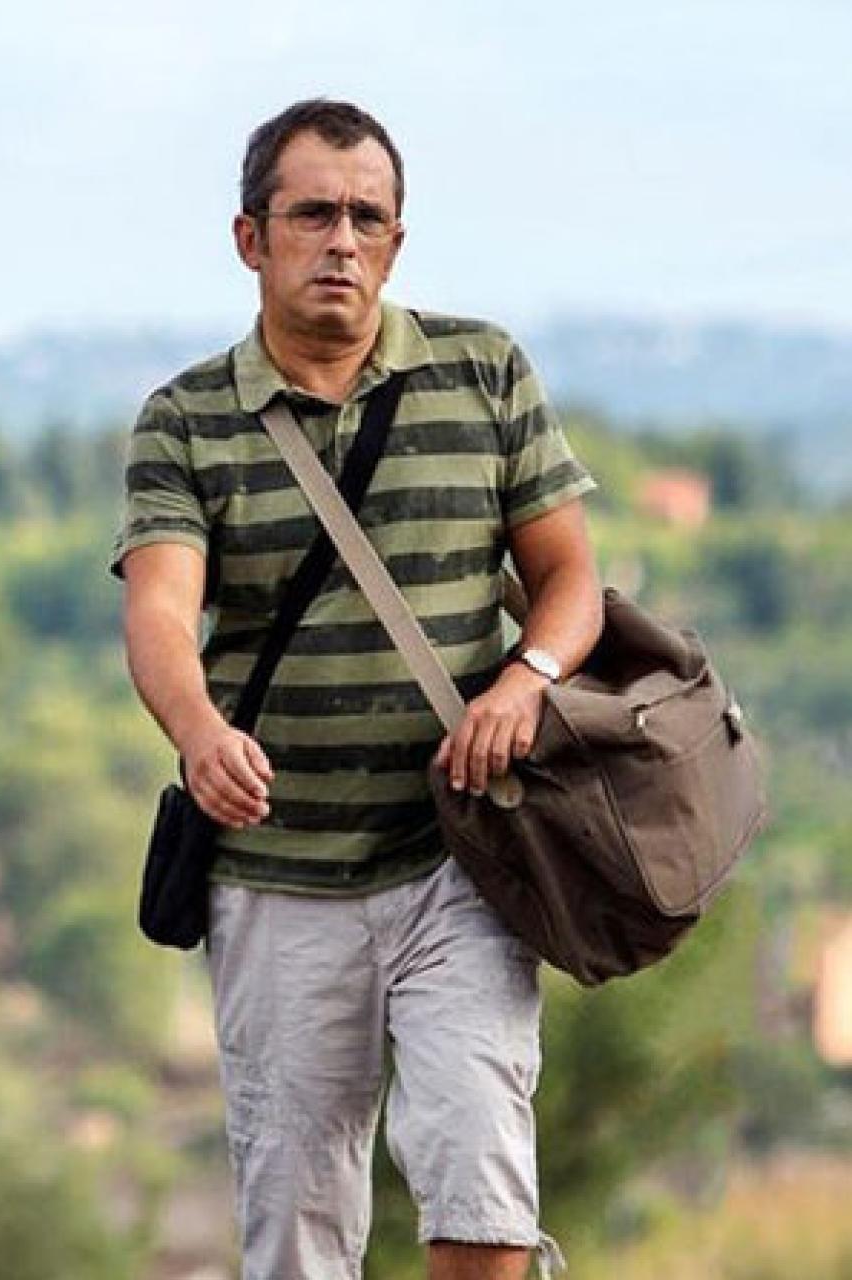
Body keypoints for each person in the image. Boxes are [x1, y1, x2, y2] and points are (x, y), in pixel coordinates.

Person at [115, 99, 604, 1280]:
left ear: (394, 242)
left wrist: (522, 682)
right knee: (295, 1228)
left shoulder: (481, 370)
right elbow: (160, 612)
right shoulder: (184, 420)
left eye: (365, 218)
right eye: (311, 213)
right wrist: (195, 730)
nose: (339, 239)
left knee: (480, 1194)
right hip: (277, 882)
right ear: (250, 237)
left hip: (458, 859)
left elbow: (570, 582)